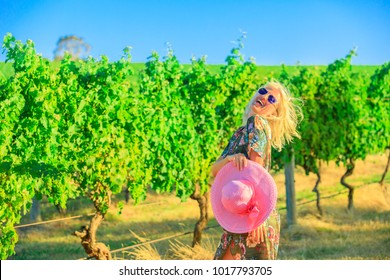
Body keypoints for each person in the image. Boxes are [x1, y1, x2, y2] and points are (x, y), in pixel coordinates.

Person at [211, 79, 302, 260]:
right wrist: (230, 159)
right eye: (263, 91)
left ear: (274, 113)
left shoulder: (257, 122)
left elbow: (257, 172)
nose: (265, 97)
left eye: (272, 99)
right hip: (243, 212)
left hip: (253, 214)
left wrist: (256, 218)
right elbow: (214, 170)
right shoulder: (240, 132)